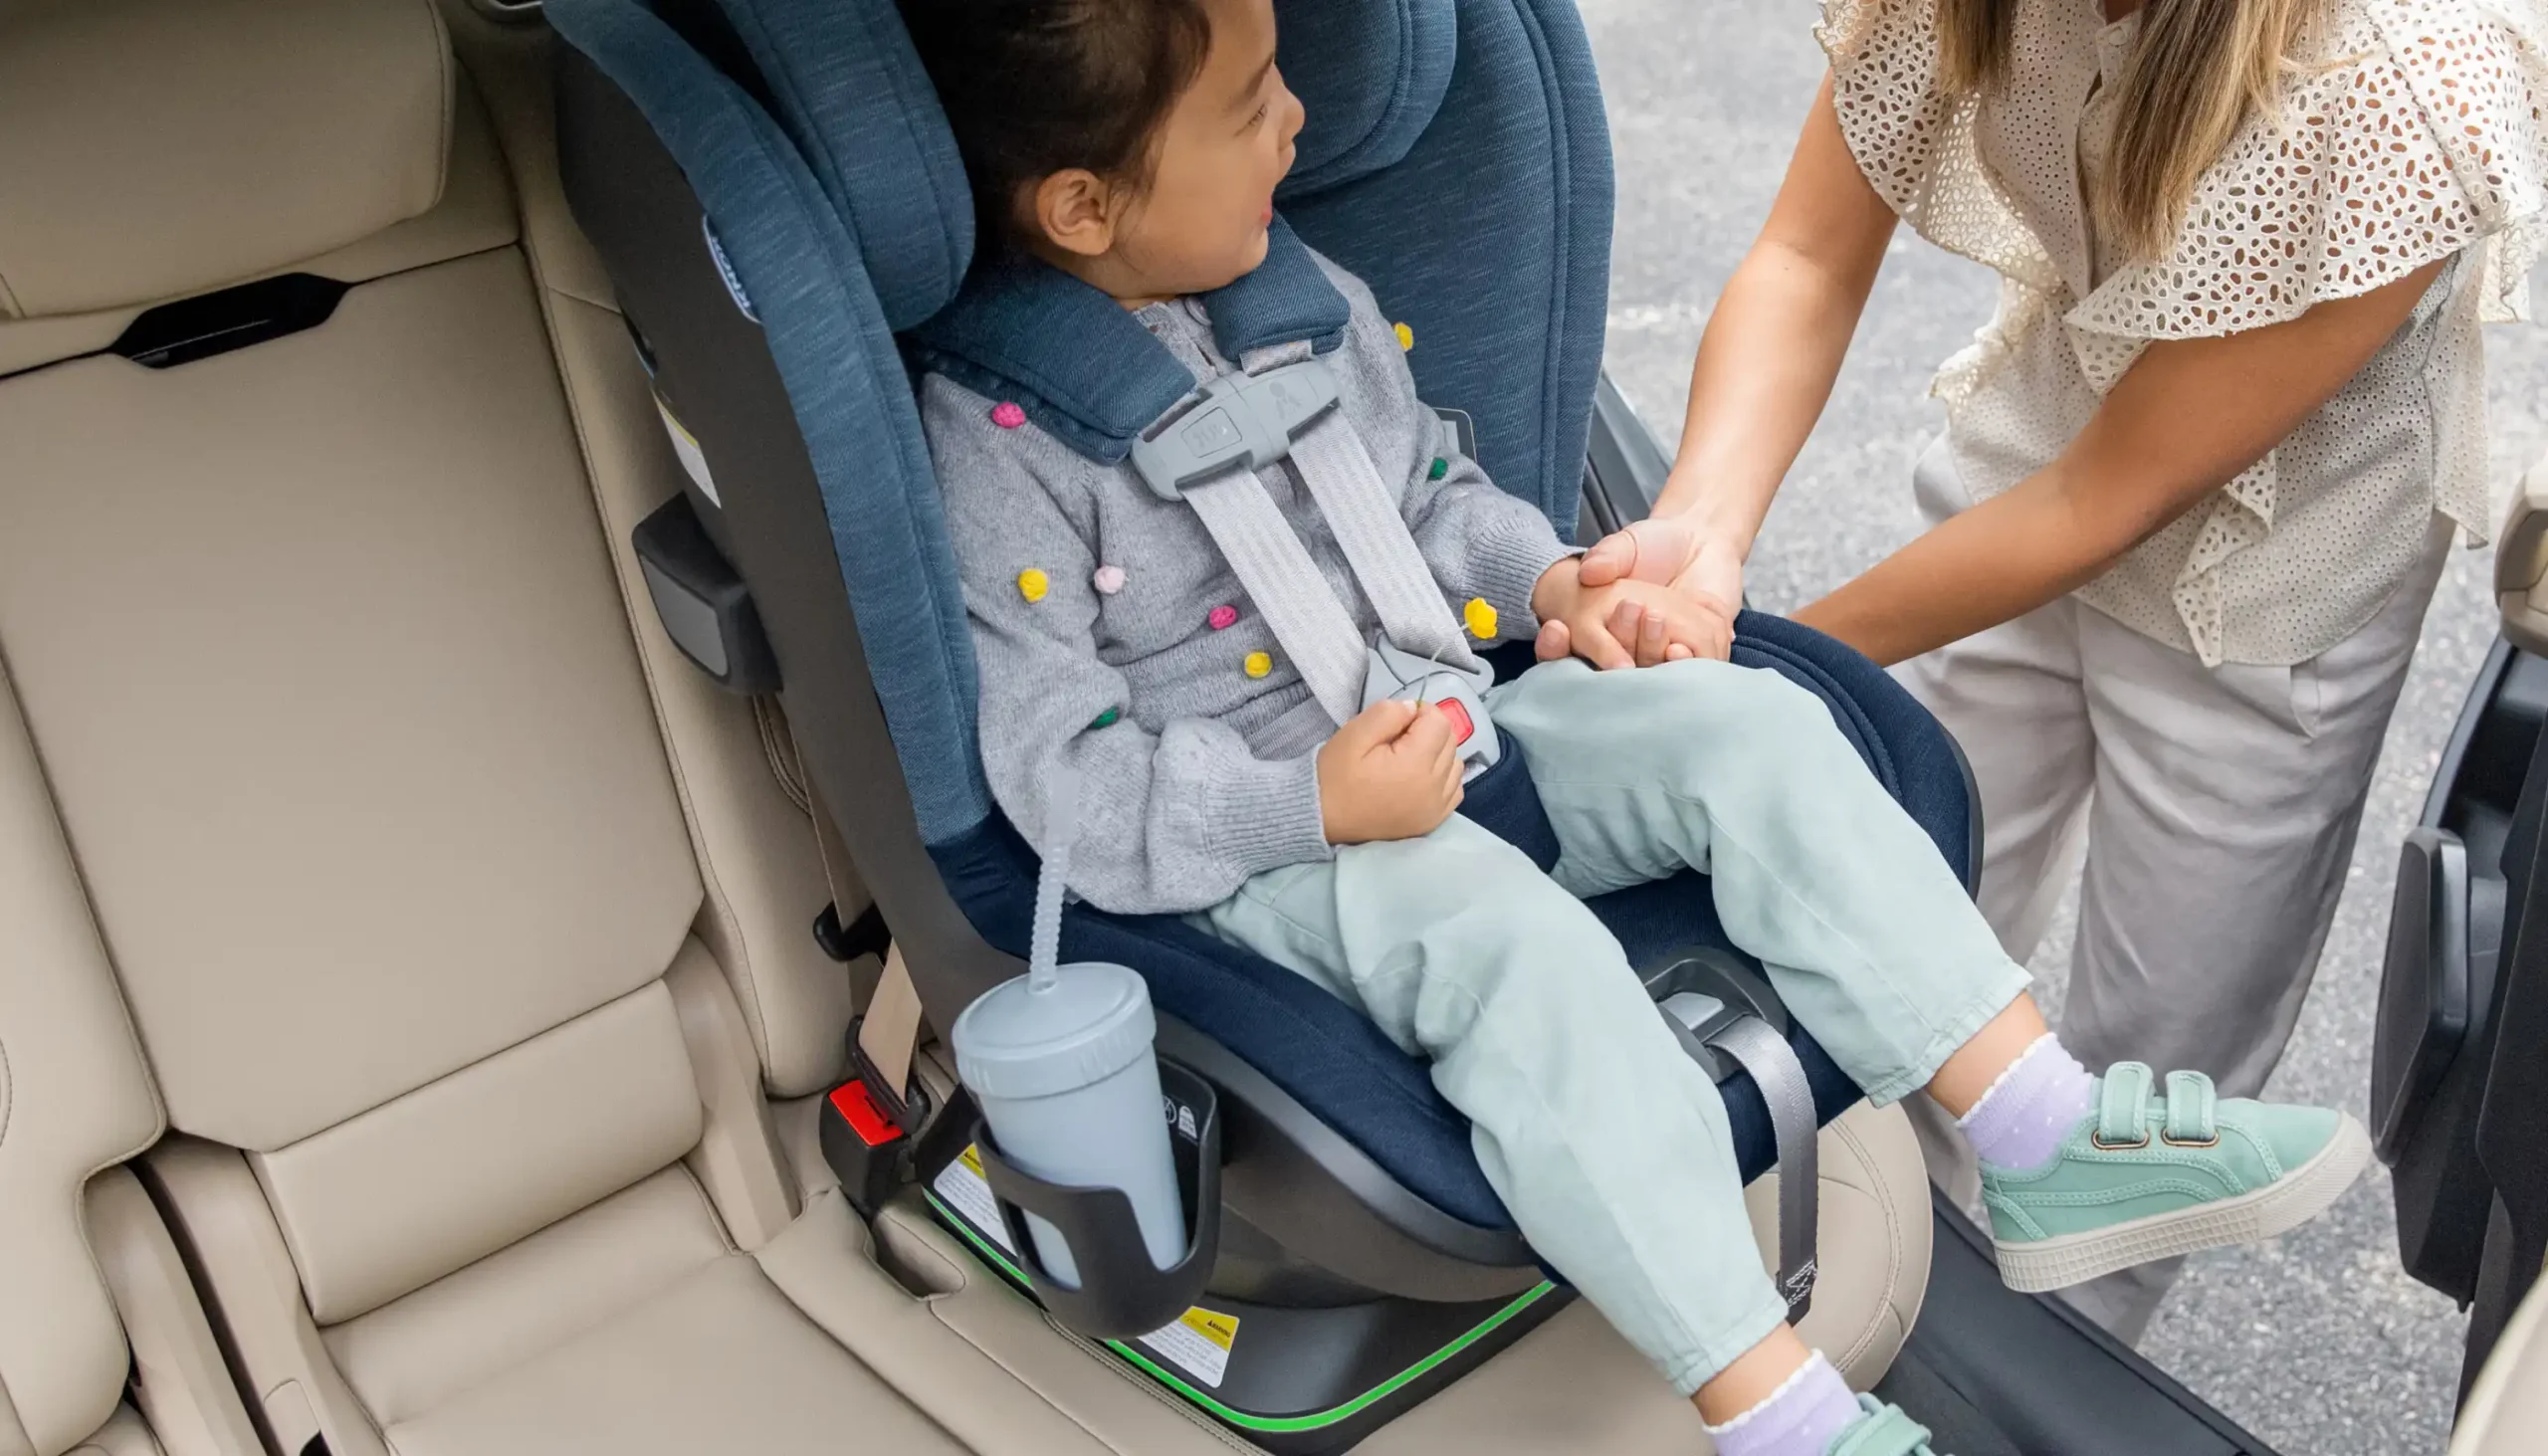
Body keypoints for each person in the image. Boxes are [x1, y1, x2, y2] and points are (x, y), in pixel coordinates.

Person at [899, 0, 2373, 1449]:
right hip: (1279, 843)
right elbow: (1067, 787)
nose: (1300, 116)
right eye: (1250, 103)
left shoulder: (1299, 304)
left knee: (1752, 729)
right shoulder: (997, 452)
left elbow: (1428, 497)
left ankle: (2044, 1131)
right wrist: (1317, 808)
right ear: (1087, 204)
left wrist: (1556, 580)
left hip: (1459, 720)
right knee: (1514, 944)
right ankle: (1777, 1410)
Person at [1565, 0, 2545, 1337]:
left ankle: (2024, 1390)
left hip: (2271, 591)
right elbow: (1804, 253)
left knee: (2145, 1084)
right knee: (1870, 925)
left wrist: (1759, 668)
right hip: (2040, 449)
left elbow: (2107, 501)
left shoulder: (2400, 88)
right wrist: (1701, 539)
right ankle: (1839, 1326)